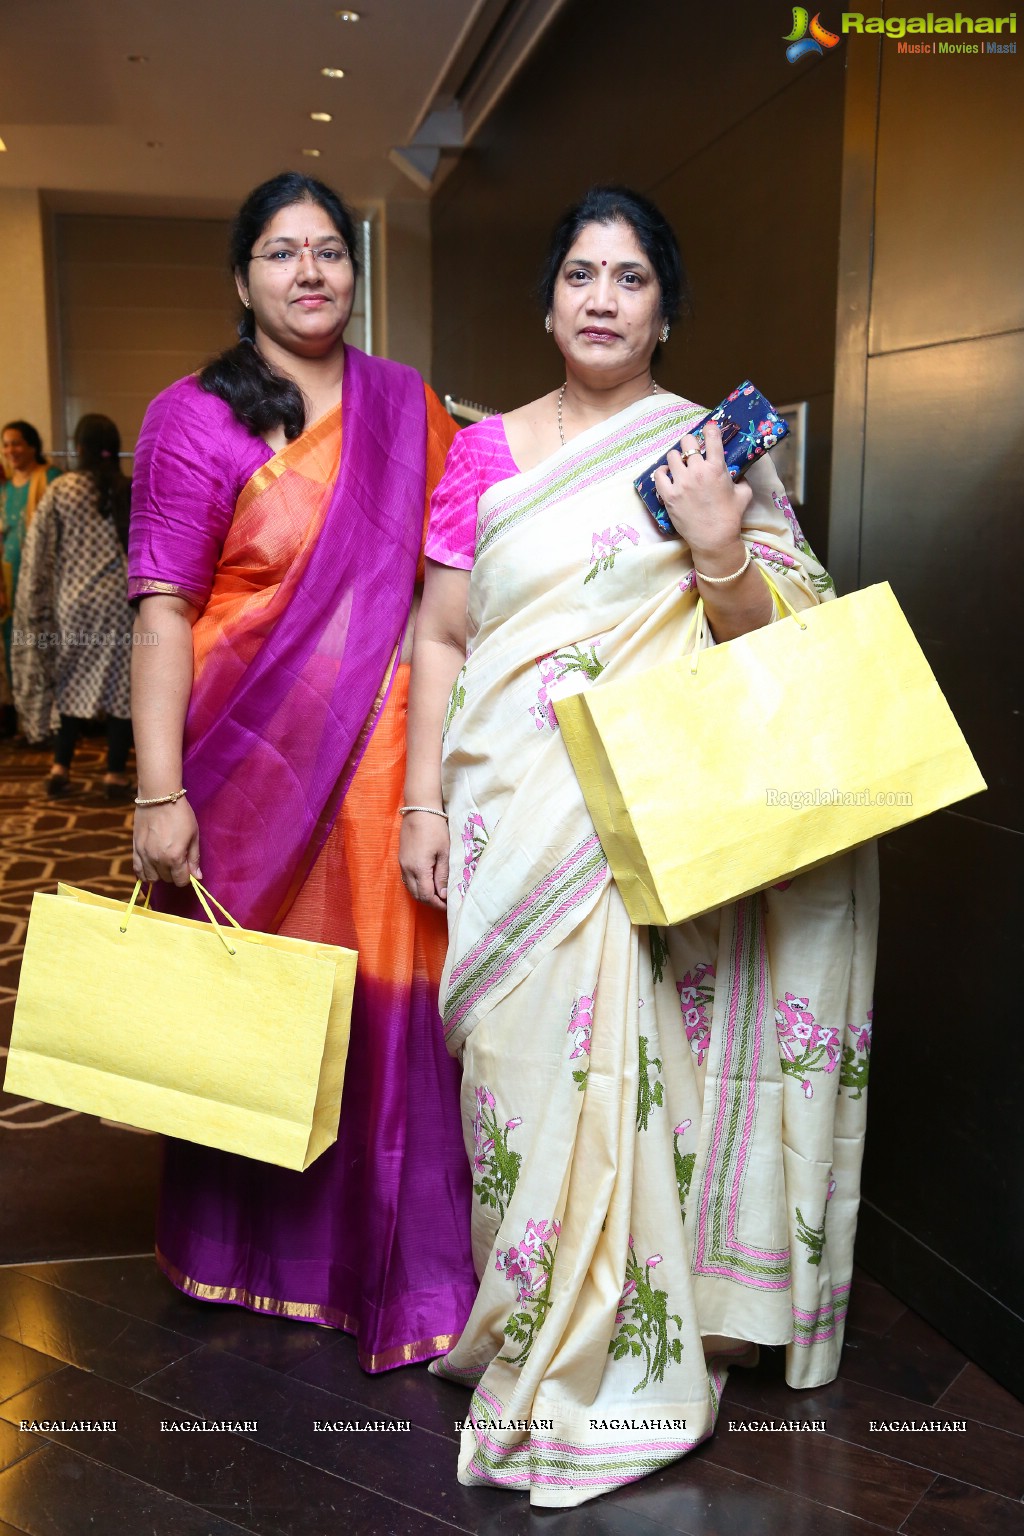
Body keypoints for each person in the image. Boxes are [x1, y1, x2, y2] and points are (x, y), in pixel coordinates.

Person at [400, 186, 879, 1505]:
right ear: (547, 302)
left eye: (630, 278)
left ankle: (639, 1338)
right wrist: (423, 806)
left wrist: (723, 549)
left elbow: (793, 665)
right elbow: (442, 637)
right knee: (516, 1074)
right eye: (580, 276)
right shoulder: (483, 454)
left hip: (653, 822)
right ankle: (538, 1321)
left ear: (666, 308)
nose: (602, 299)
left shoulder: (716, 448)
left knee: (647, 1066)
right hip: (511, 809)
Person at [127, 171, 477, 1371]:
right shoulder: (193, 417)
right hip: (249, 770)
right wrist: (160, 790)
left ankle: (387, 1265)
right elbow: (165, 612)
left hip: (385, 772)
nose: (310, 272)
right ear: (243, 280)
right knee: (249, 1008)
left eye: (329, 250)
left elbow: (452, 587)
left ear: (354, 273)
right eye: (282, 252)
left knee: (389, 1018)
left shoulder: (404, 404)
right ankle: (249, 1255)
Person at [12, 414, 135, 796]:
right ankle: (114, 774)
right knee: (122, 688)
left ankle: (59, 768)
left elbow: (38, 552)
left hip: (74, 603)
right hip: (119, 604)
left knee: (68, 682)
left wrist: (34, 601)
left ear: (78, 447)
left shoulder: (62, 489)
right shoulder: (127, 489)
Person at [1, 420, 61, 735]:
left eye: (16, 443)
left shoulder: (50, 478)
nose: (10, 450)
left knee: (45, 644)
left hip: (43, 580)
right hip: (9, 580)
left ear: (32, 446)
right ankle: (24, 718)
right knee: (14, 642)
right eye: (6, 444)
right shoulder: (5, 488)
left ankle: (53, 720)